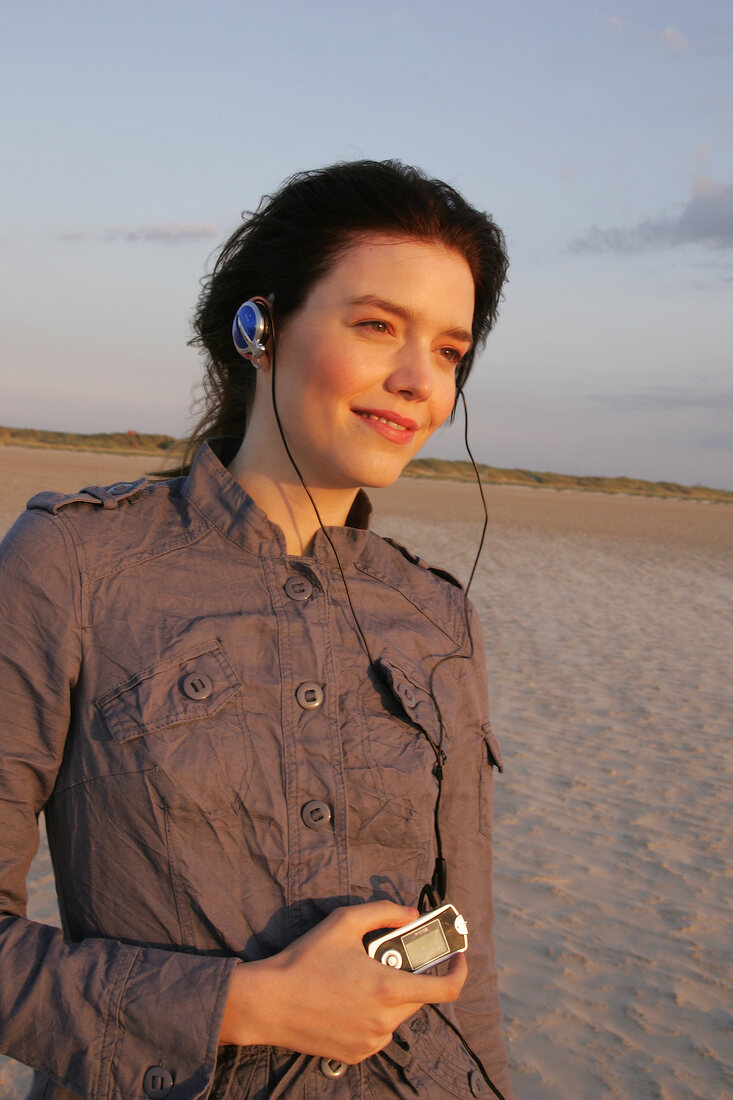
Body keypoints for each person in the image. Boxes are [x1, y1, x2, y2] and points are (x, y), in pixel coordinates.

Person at [0, 160, 512, 1100]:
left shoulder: (439, 616)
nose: (416, 383)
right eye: (376, 326)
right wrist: (246, 1004)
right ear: (258, 328)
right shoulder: (72, 566)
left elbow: (463, 964)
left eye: (448, 351)